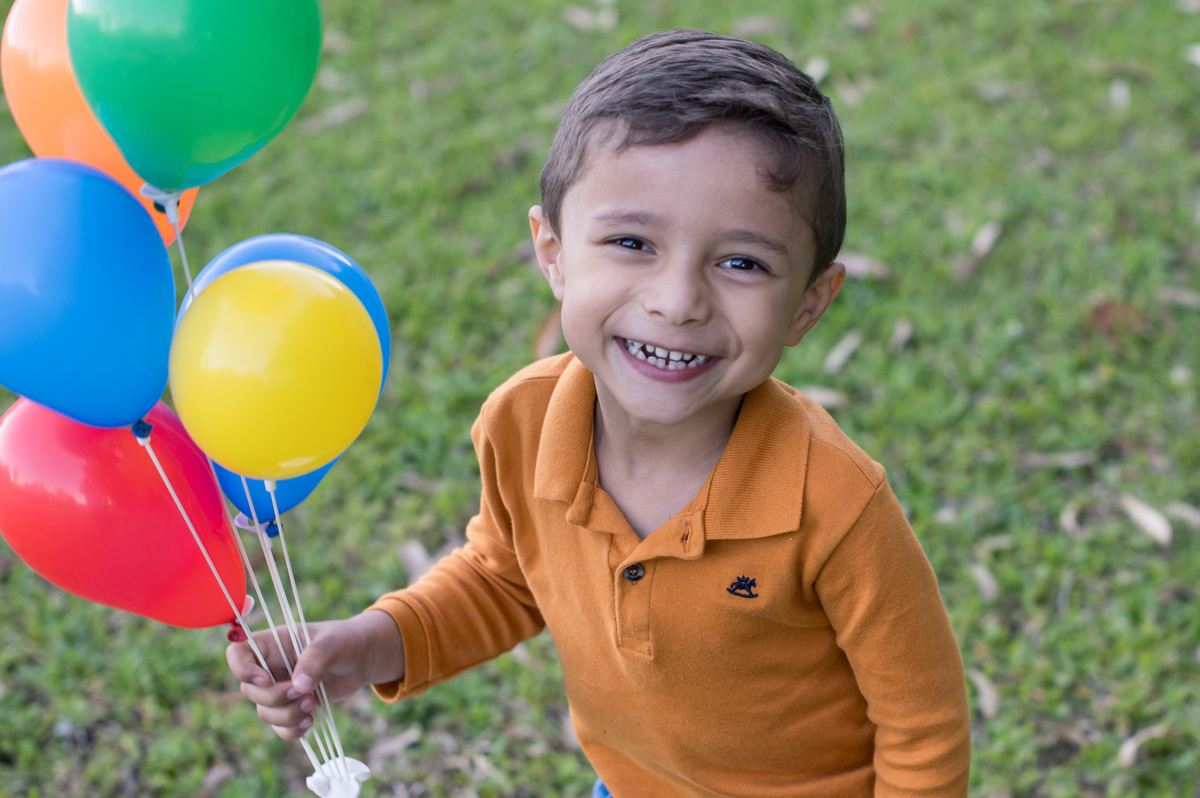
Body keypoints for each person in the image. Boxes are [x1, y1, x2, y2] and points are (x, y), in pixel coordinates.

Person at [226, 29, 972, 797]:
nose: (677, 301)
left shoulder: (836, 502)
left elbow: (923, 724)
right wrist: (372, 642)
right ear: (551, 252)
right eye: (630, 241)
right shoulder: (522, 423)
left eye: (741, 262)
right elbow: (504, 579)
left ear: (808, 305)